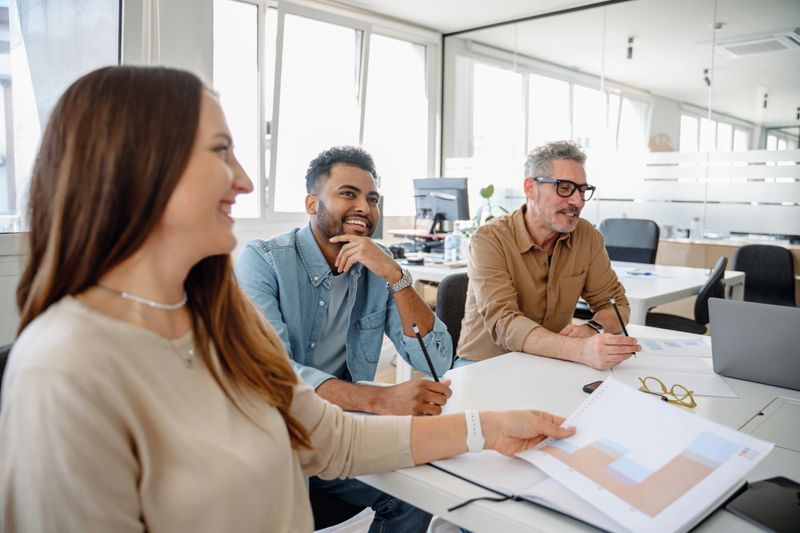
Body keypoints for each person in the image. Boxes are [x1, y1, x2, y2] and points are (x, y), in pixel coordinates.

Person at [0, 66, 575, 533]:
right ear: (136, 169)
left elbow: (331, 437)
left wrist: (487, 428)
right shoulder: (65, 368)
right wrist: (385, 400)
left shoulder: (214, 318)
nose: (245, 181)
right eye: (221, 151)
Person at [235, 146, 454, 530]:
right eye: (348, 194)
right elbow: (277, 374)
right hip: (276, 435)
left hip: (342, 429)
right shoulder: (263, 260)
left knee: (420, 490)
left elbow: (435, 361)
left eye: (372, 199)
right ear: (311, 202)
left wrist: (394, 274)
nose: (364, 208)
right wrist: (382, 399)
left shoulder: (376, 264)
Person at [457, 140, 641, 370]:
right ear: (530, 188)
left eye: (582, 190)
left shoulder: (587, 237)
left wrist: (591, 329)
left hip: (550, 362)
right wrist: (579, 350)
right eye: (564, 188)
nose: (577, 201)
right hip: (485, 366)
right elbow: (504, 323)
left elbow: (616, 305)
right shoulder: (490, 239)